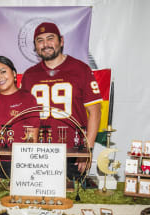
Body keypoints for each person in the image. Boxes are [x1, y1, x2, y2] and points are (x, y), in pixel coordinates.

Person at [21, 22, 102, 177]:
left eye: (50, 38)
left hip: (73, 152)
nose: (45, 44)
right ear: (35, 47)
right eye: (40, 40)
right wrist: (27, 151)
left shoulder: (81, 69)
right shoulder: (29, 75)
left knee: (74, 198)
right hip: (39, 152)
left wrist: (87, 149)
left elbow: (95, 112)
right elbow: (26, 119)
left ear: (61, 41)